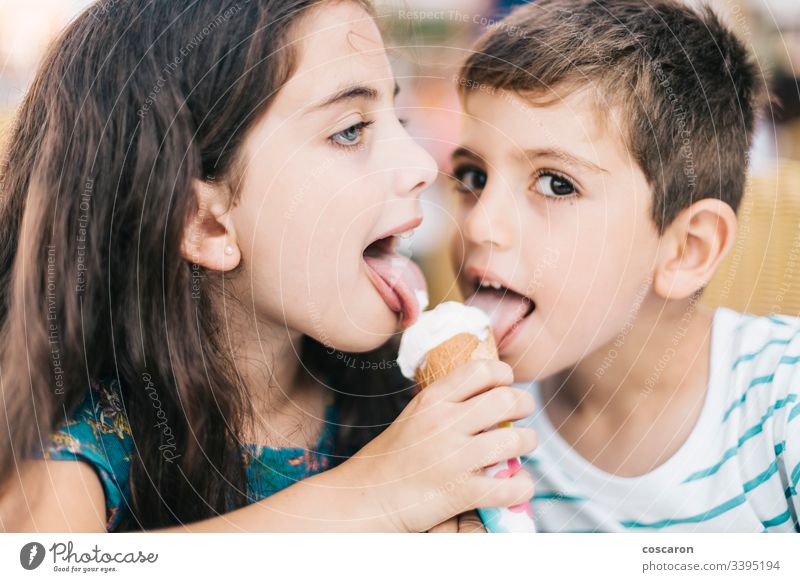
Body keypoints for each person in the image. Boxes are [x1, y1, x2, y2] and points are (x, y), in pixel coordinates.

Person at [0, 0, 536, 532]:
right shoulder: (78, 446)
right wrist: (374, 496)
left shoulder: (404, 410)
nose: (423, 164)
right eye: (350, 130)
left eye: (396, 117)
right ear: (205, 225)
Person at [450, 0, 797, 531]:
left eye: (555, 183)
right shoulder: (479, 431)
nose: (478, 225)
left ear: (687, 251)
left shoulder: (783, 403)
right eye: (473, 178)